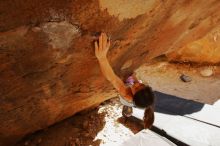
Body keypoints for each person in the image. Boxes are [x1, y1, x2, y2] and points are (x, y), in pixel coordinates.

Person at [94, 32, 155, 129]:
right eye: (141, 85)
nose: (137, 85)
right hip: (135, 97)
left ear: (133, 95)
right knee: (131, 79)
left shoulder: (125, 94)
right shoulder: (139, 90)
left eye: (136, 89)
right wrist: (134, 77)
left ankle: (127, 107)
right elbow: (136, 83)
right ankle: (129, 103)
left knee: (127, 92)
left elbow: (112, 78)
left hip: (127, 100)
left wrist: (102, 58)